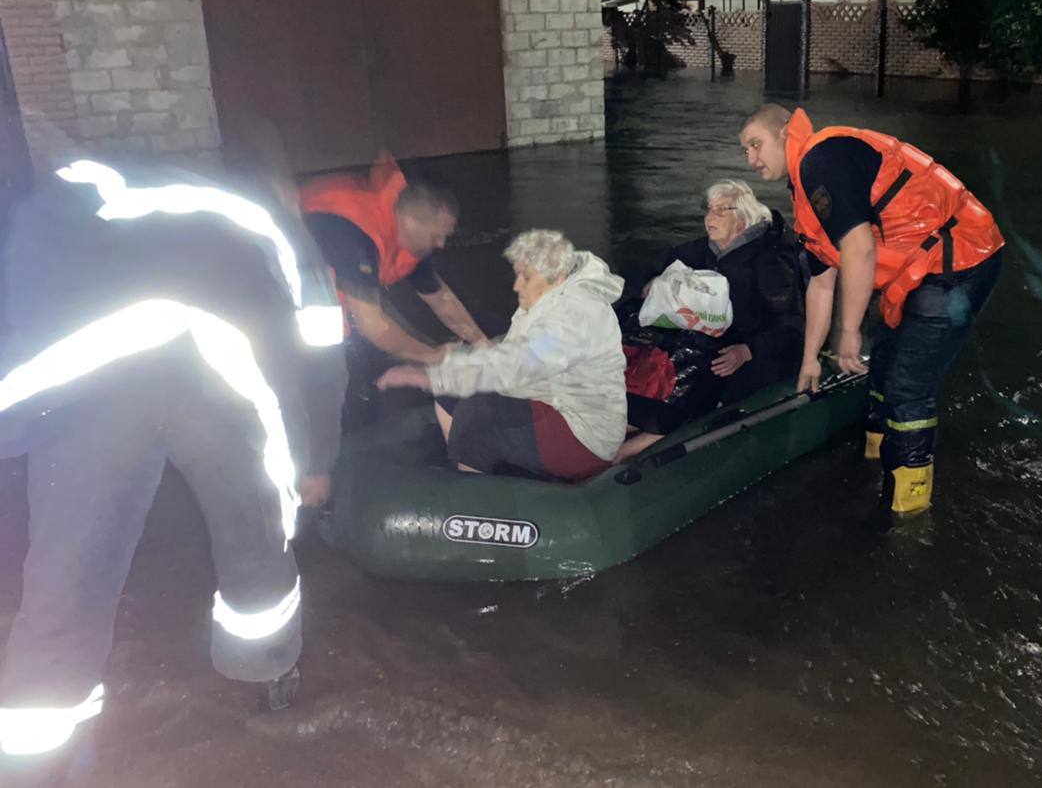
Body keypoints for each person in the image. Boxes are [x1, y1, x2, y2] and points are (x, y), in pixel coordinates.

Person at [0, 154, 347, 786]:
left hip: (86, 380)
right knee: (255, 525)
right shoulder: (272, 220)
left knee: (67, 571)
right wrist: (314, 458)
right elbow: (322, 344)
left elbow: (20, 336)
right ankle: (269, 674)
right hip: (212, 369)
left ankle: (30, 761)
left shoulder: (50, 206)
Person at [740, 104, 1004, 517]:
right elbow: (822, 281)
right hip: (917, 271)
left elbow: (860, 250)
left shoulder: (819, 160)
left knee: (906, 387)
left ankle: (907, 510)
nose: (751, 160)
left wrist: (848, 333)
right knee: (882, 362)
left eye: (756, 145)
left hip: (961, 260)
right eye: (745, 151)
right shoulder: (806, 194)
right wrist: (810, 359)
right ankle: (874, 460)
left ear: (785, 133)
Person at [377, 230, 625, 482]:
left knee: (476, 416)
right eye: (517, 274)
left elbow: (525, 360)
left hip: (583, 435)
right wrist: (457, 360)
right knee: (453, 394)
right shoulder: (548, 297)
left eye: (525, 277)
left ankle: (472, 496)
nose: (516, 285)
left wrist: (428, 377)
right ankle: (466, 462)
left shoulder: (576, 314)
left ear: (558, 277)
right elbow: (519, 352)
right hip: (550, 399)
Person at [619, 179, 804, 459]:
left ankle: (625, 454)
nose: (710, 217)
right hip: (707, 344)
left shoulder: (771, 261)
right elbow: (657, 266)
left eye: (721, 211)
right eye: (709, 210)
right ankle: (630, 423)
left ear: (742, 219)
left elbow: (791, 323)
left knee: (699, 390)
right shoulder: (702, 250)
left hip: (757, 354)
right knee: (658, 366)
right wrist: (654, 281)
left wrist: (748, 350)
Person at [299, 154, 486, 427]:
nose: (442, 244)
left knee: (398, 346)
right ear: (410, 221)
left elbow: (440, 297)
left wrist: (481, 342)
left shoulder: (407, 233)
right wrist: (432, 356)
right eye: (436, 236)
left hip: (347, 292)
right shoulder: (354, 234)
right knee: (343, 382)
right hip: (293, 303)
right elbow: (372, 324)